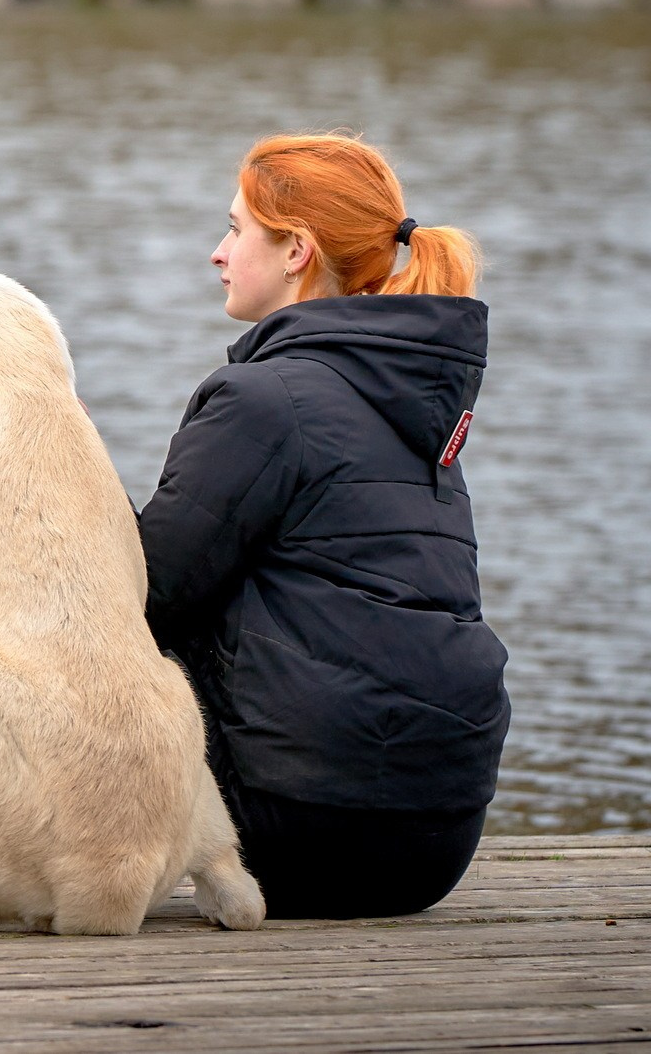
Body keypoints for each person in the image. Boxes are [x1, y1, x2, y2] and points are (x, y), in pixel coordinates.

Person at [138, 132, 511, 919]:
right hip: (435, 847)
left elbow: (144, 596)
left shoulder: (264, 399)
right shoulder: (417, 403)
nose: (218, 252)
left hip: (297, 838)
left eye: (237, 229)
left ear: (297, 251)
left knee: (82, 602)